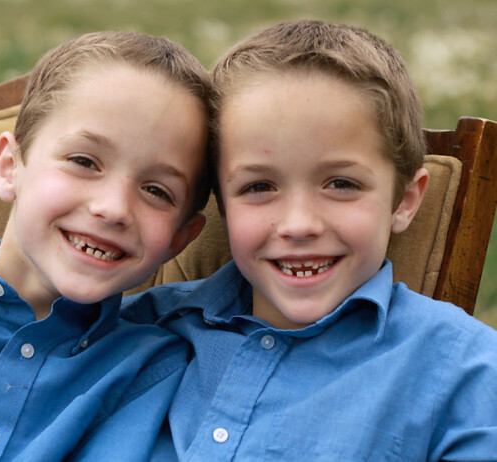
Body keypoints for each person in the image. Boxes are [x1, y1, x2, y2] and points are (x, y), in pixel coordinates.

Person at [122, 20, 497, 461]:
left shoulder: (464, 369)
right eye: (259, 187)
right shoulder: (140, 331)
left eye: (340, 183)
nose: (299, 225)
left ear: (405, 200)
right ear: (221, 205)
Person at [0, 31, 213, 461]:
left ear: (180, 239)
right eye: (84, 162)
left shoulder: (155, 370)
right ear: (11, 167)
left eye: (156, 190)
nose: (113, 208)